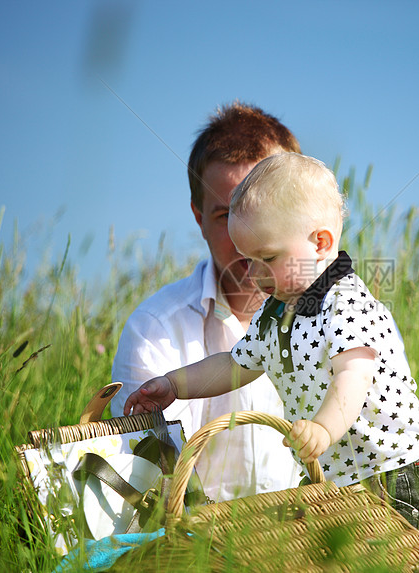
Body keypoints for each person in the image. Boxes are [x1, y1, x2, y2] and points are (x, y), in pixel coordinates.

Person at [125, 152, 419, 545]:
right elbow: (233, 365)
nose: (255, 273)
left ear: (321, 242)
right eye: (248, 259)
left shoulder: (344, 302)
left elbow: (354, 376)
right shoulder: (276, 312)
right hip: (336, 477)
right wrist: (175, 385)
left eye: (269, 258)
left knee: (407, 560)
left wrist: (323, 429)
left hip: (395, 470)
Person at [111, 102, 303, 502]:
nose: (245, 238)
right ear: (198, 218)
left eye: (265, 212)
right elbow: (151, 481)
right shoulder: (153, 331)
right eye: (225, 215)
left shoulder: (342, 317)